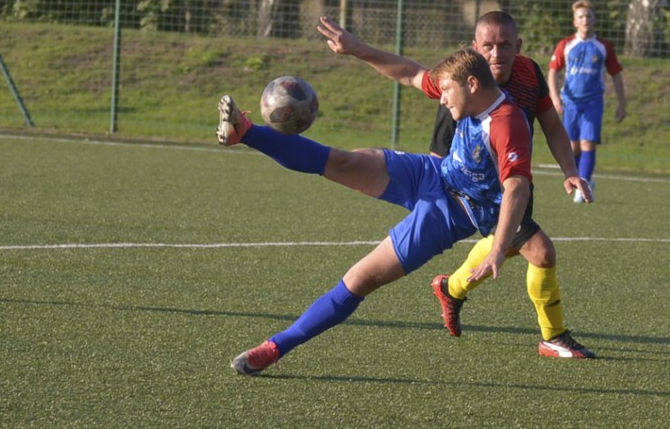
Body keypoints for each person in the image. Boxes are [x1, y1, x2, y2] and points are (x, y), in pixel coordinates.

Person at [221, 44, 548, 375]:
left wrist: (498, 249)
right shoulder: (468, 92)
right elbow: (410, 72)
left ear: (473, 85)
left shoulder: (507, 123)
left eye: (448, 91)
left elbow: (517, 188)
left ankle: (275, 347)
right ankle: (245, 133)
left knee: (359, 278)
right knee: (344, 160)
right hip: (431, 173)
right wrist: (354, 47)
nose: (443, 98)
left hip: (450, 214)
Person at [320, 12, 596, 359]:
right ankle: (553, 337)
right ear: (475, 48)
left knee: (508, 244)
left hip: (512, 181)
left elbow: (551, 123)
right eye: (488, 46)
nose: (497, 54)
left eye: (505, 45)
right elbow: (411, 76)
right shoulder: (461, 86)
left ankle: (451, 289)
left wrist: (569, 169)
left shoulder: (529, 73)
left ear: (518, 46)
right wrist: (357, 49)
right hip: (476, 191)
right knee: (540, 252)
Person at [548, 0, 626, 203]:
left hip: (593, 102)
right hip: (570, 102)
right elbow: (553, 71)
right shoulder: (565, 45)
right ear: (575, 22)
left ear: (594, 19)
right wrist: (555, 97)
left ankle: (584, 185)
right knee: (573, 147)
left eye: (589, 16)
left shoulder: (603, 46)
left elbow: (616, 74)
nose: (585, 20)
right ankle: (580, 181)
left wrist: (621, 103)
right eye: (581, 16)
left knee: (587, 143)